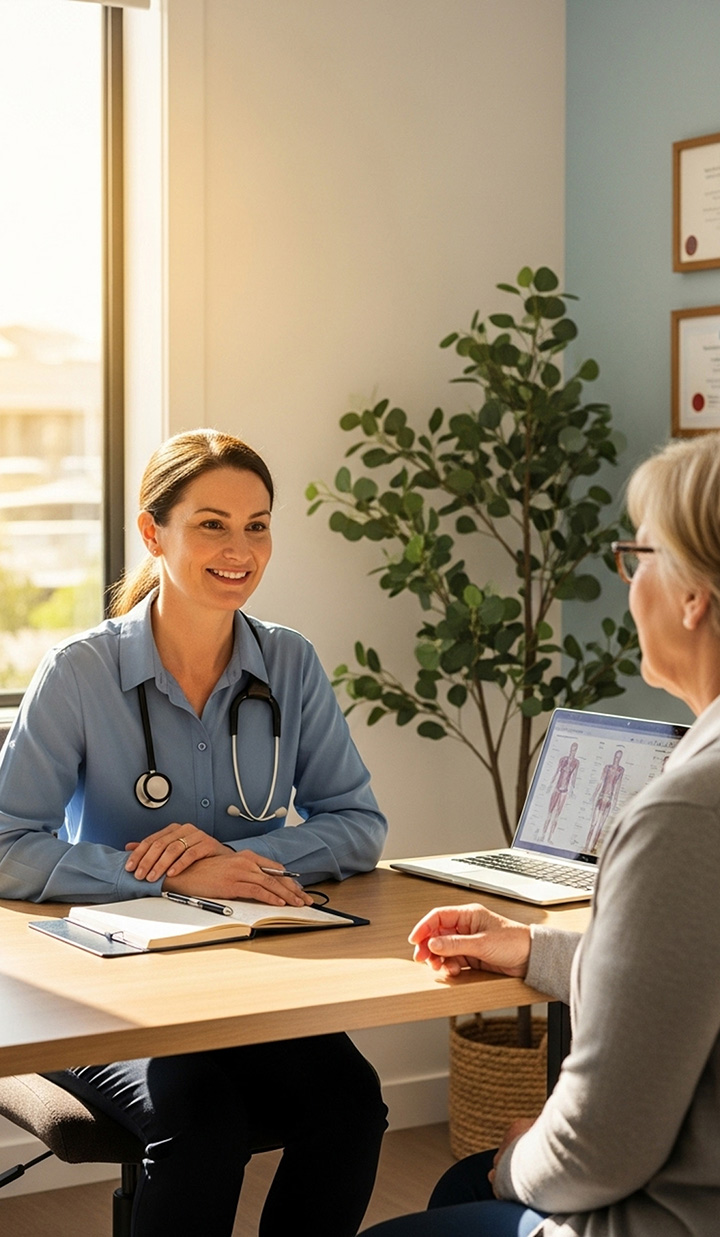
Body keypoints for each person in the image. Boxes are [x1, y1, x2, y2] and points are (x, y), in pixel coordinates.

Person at [0, 428, 388, 1237]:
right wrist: (163, 876)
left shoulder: (290, 664)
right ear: (154, 532)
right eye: (212, 523)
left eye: (258, 524)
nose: (240, 548)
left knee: (350, 1104)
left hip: (246, 983)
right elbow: (7, 843)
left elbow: (357, 823)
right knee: (203, 1124)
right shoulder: (81, 672)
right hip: (104, 992)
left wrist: (240, 859)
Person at [362, 433, 720, 1237]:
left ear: (693, 594)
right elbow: (689, 978)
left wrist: (510, 1162)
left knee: (463, 1188)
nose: (631, 588)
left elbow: (601, 1145)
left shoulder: (684, 813)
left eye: (639, 559)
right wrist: (533, 949)